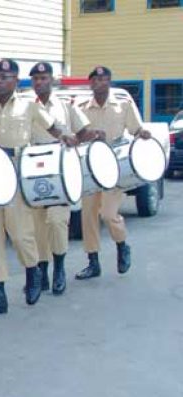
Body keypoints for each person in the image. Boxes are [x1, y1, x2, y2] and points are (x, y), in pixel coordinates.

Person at [0, 58, 72, 317]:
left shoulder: (29, 106)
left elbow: (53, 126)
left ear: (16, 81)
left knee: (20, 233)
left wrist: (65, 136)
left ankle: (33, 272)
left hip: (19, 172)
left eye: (5, 77)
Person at [75, 66, 151, 280]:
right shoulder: (80, 108)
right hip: (89, 168)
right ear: (90, 83)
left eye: (104, 79)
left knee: (108, 214)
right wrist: (89, 135)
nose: (100, 83)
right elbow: (75, 136)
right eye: (96, 80)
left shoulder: (122, 105)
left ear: (109, 82)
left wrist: (143, 133)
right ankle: (93, 262)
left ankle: (122, 245)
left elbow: (136, 129)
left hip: (113, 167)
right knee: (88, 215)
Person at [28, 61, 92, 295]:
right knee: (37, 228)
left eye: (44, 78)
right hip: (32, 173)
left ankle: (60, 269)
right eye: (35, 79)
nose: (39, 82)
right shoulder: (24, 106)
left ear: (52, 80)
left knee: (56, 221)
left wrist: (76, 141)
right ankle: (42, 273)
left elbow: (84, 130)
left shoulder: (66, 106)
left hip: (59, 171)